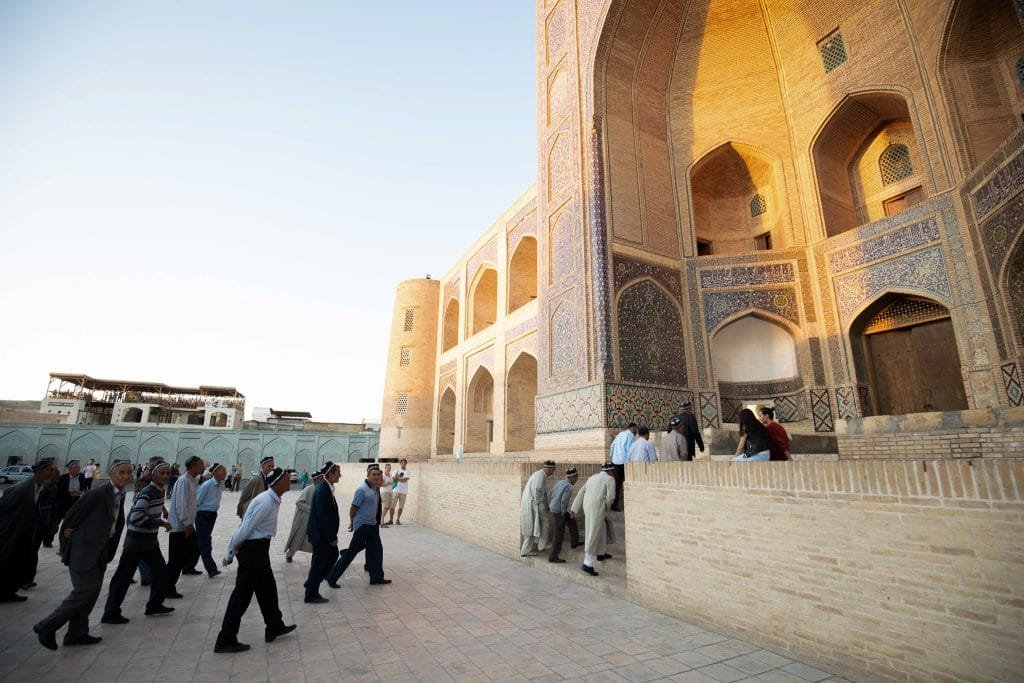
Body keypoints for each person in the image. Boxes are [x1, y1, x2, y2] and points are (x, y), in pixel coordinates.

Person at [33, 459, 132, 650]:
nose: (126, 476)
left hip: (100, 550)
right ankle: (46, 626)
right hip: (84, 550)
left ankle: (77, 632)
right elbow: (71, 518)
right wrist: (65, 545)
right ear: (111, 474)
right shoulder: (97, 493)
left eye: (128, 472)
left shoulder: (119, 494)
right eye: (121, 472)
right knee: (83, 591)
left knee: (92, 592)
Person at [214, 467, 297, 653]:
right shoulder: (266, 502)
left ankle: (274, 625)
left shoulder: (271, 499)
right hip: (252, 551)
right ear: (277, 482)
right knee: (241, 597)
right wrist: (230, 553)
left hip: (259, 549)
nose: (289, 480)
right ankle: (225, 639)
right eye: (286, 478)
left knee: (267, 589)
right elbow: (244, 528)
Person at [101, 462, 174, 624]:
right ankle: (110, 612)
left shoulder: (159, 490)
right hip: (136, 540)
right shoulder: (148, 491)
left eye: (167, 473)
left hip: (149, 541)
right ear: (154, 475)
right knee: (123, 577)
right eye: (161, 473)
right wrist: (161, 523)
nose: (165, 476)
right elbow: (136, 517)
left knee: (162, 572)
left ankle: (154, 605)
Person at [0, 458, 59, 602]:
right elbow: (3, 507)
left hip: (24, 532)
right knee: (5, 562)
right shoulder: (21, 488)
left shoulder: (39, 488)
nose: (53, 473)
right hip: (11, 532)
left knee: (16, 563)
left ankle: (9, 592)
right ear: (39, 472)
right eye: (50, 470)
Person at [326, 464, 390, 587]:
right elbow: (353, 508)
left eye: (378, 474)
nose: (376, 476)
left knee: (376, 550)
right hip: (362, 526)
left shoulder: (375, 488)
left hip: (372, 525)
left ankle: (376, 577)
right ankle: (332, 577)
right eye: (374, 474)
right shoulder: (362, 489)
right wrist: (351, 522)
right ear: (368, 476)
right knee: (351, 552)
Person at [165, 455, 205, 598]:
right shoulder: (183, 481)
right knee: (175, 560)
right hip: (179, 527)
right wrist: (187, 522)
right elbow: (180, 504)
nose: (203, 467)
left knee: (182, 557)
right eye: (201, 464)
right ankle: (167, 588)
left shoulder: (191, 481)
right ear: (194, 466)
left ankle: (169, 586)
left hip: (186, 525)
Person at [570, 463, 617, 577]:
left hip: (588, 506)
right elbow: (611, 497)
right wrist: (606, 507)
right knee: (593, 533)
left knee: (603, 527)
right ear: (610, 471)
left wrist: (574, 508)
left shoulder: (592, 477)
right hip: (597, 508)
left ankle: (602, 552)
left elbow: (581, 492)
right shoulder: (610, 479)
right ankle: (588, 563)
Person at [304, 461, 340, 603]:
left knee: (320, 563)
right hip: (321, 536)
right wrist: (331, 537)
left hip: (321, 535)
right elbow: (324, 516)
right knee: (324, 561)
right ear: (330, 475)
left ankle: (311, 584)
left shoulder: (326, 487)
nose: (340, 476)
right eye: (338, 473)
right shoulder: (323, 490)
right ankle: (311, 592)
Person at [284, 468, 324, 563]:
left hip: (316, 519)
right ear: (316, 479)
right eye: (321, 477)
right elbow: (299, 502)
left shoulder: (321, 489)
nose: (322, 479)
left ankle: (319, 557)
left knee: (317, 538)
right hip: (305, 519)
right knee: (299, 537)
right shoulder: (308, 489)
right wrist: (311, 509)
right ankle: (289, 555)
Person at [195, 462, 228, 577]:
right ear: (215, 473)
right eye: (222, 471)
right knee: (205, 542)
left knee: (199, 541)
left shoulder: (220, 485)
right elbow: (197, 501)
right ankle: (211, 569)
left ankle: (188, 566)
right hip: (203, 515)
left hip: (212, 515)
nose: (225, 473)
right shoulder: (207, 485)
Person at [520, 460, 555, 556]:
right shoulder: (540, 476)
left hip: (533, 503)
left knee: (532, 526)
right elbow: (536, 490)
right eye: (553, 469)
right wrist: (541, 505)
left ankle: (529, 549)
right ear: (549, 469)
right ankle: (542, 545)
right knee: (545, 521)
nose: (553, 472)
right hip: (535, 503)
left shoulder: (539, 475)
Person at [547, 467, 580, 564]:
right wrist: (563, 512)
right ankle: (553, 556)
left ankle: (574, 542)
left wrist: (551, 504)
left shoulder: (560, 482)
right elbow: (564, 501)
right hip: (559, 511)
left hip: (555, 508)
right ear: (573, 477)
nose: (577, 480)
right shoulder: (568, 486)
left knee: (571, 520)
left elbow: (550, 493)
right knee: (559, 533)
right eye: (576, 477)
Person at [609, 422, 637, 510]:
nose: (636, 431)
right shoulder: (630, 435)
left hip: (615, 462)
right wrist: (631, 462)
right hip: (624, 462)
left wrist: (612, 457)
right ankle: (629, 503)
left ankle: (614, 504)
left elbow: (612, 446)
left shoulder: (620, 434)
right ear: (633, 428)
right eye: (636, 429)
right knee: (628, 482)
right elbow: (630, 450)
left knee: (617, 485)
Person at [389, 458, 410, 525]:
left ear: (406, 464)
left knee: (401, 507)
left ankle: (398, 519)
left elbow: (405, 480)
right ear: (400, 463)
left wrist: (397, 479)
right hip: (396, 490)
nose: (403, 464)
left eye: (404, 463)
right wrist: (398, 477)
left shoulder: (407, 471)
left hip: (403, 492)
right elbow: (393, 478)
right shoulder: (397, 470)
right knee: (392, 506)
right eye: (402, 463)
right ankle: (391, 520)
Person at [379, 463, 394, 528]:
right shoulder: (383, 475)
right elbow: (380, 485)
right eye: (387, 468)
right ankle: (382, 522)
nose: (388, 469)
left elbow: (392, 483)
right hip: (384, 492)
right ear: (385, 468)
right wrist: (387, 483)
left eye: (389, 468)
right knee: (385, 507)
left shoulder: (390, 475)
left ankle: (380, 520)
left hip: (390, 492)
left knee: (388, 507)